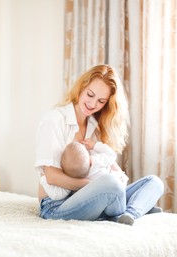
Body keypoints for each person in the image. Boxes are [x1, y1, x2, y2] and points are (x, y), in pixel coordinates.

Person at [35, 64, 164, 225]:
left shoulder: (93, 126)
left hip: (96, 195)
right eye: (90, 95)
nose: (92, 104)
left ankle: (131, 212)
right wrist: (97, 186)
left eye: (101, 101)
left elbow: (107, 164)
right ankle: (136, 207)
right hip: (55, 206)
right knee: (111, 184)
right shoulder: (54, 119)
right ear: (82, 88)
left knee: (154, 182)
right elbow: (52, 177)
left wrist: (118, 179)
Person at [40, 140, 129, 201]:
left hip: (106, 195)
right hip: (117, 185)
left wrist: (43, 179)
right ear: (90, 160)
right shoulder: (96, 162)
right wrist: (95, 145)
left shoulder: (71, 182)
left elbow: (57, 195)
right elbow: (111, 154)